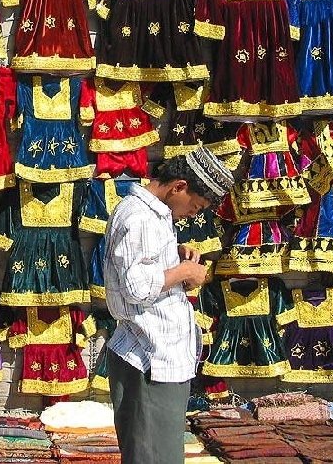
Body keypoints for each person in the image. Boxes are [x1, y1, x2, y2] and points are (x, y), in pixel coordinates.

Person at [103, 146, 234, 463]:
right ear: (179, 187)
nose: (194, 214)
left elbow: (138, 264)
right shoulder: (140, 218)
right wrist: (184, 272)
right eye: (196, 206)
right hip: (150, 360)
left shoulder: (151, 215)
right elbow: (136, 287)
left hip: (157, 358)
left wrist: (173, 254)